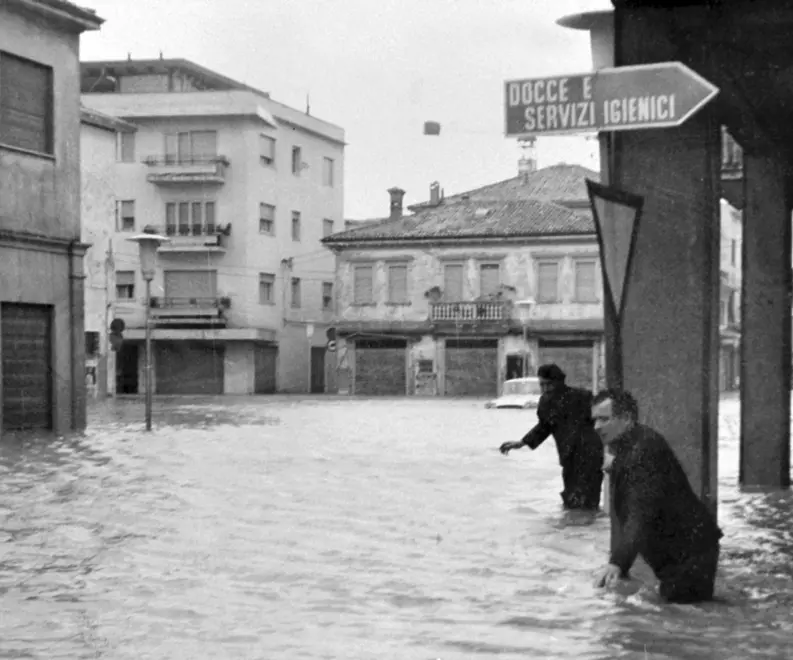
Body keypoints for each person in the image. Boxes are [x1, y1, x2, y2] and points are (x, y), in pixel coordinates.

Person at [591, 388, 723, 603]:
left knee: (688, 615)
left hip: (688, 552)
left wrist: (618, 562)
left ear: (626, 418)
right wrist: (616, 466)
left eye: (604, 419)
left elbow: (639, 512)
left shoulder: (641, 452)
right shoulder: (634, 442)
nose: (597, 427)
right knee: (688, 610)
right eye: (595, 420)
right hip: (684, 548)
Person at [499, 363, 604, 511]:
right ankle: (577, 532)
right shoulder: (545, 403)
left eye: (549, 384)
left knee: (587, 502)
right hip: (568, 459)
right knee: (571, 501)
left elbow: (601, 421)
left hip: (591, 456)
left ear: (559, 382)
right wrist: (522, 442)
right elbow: (544, 427)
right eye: (542, 385)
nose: (545, 389)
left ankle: (585, 529)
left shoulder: (583, 397)